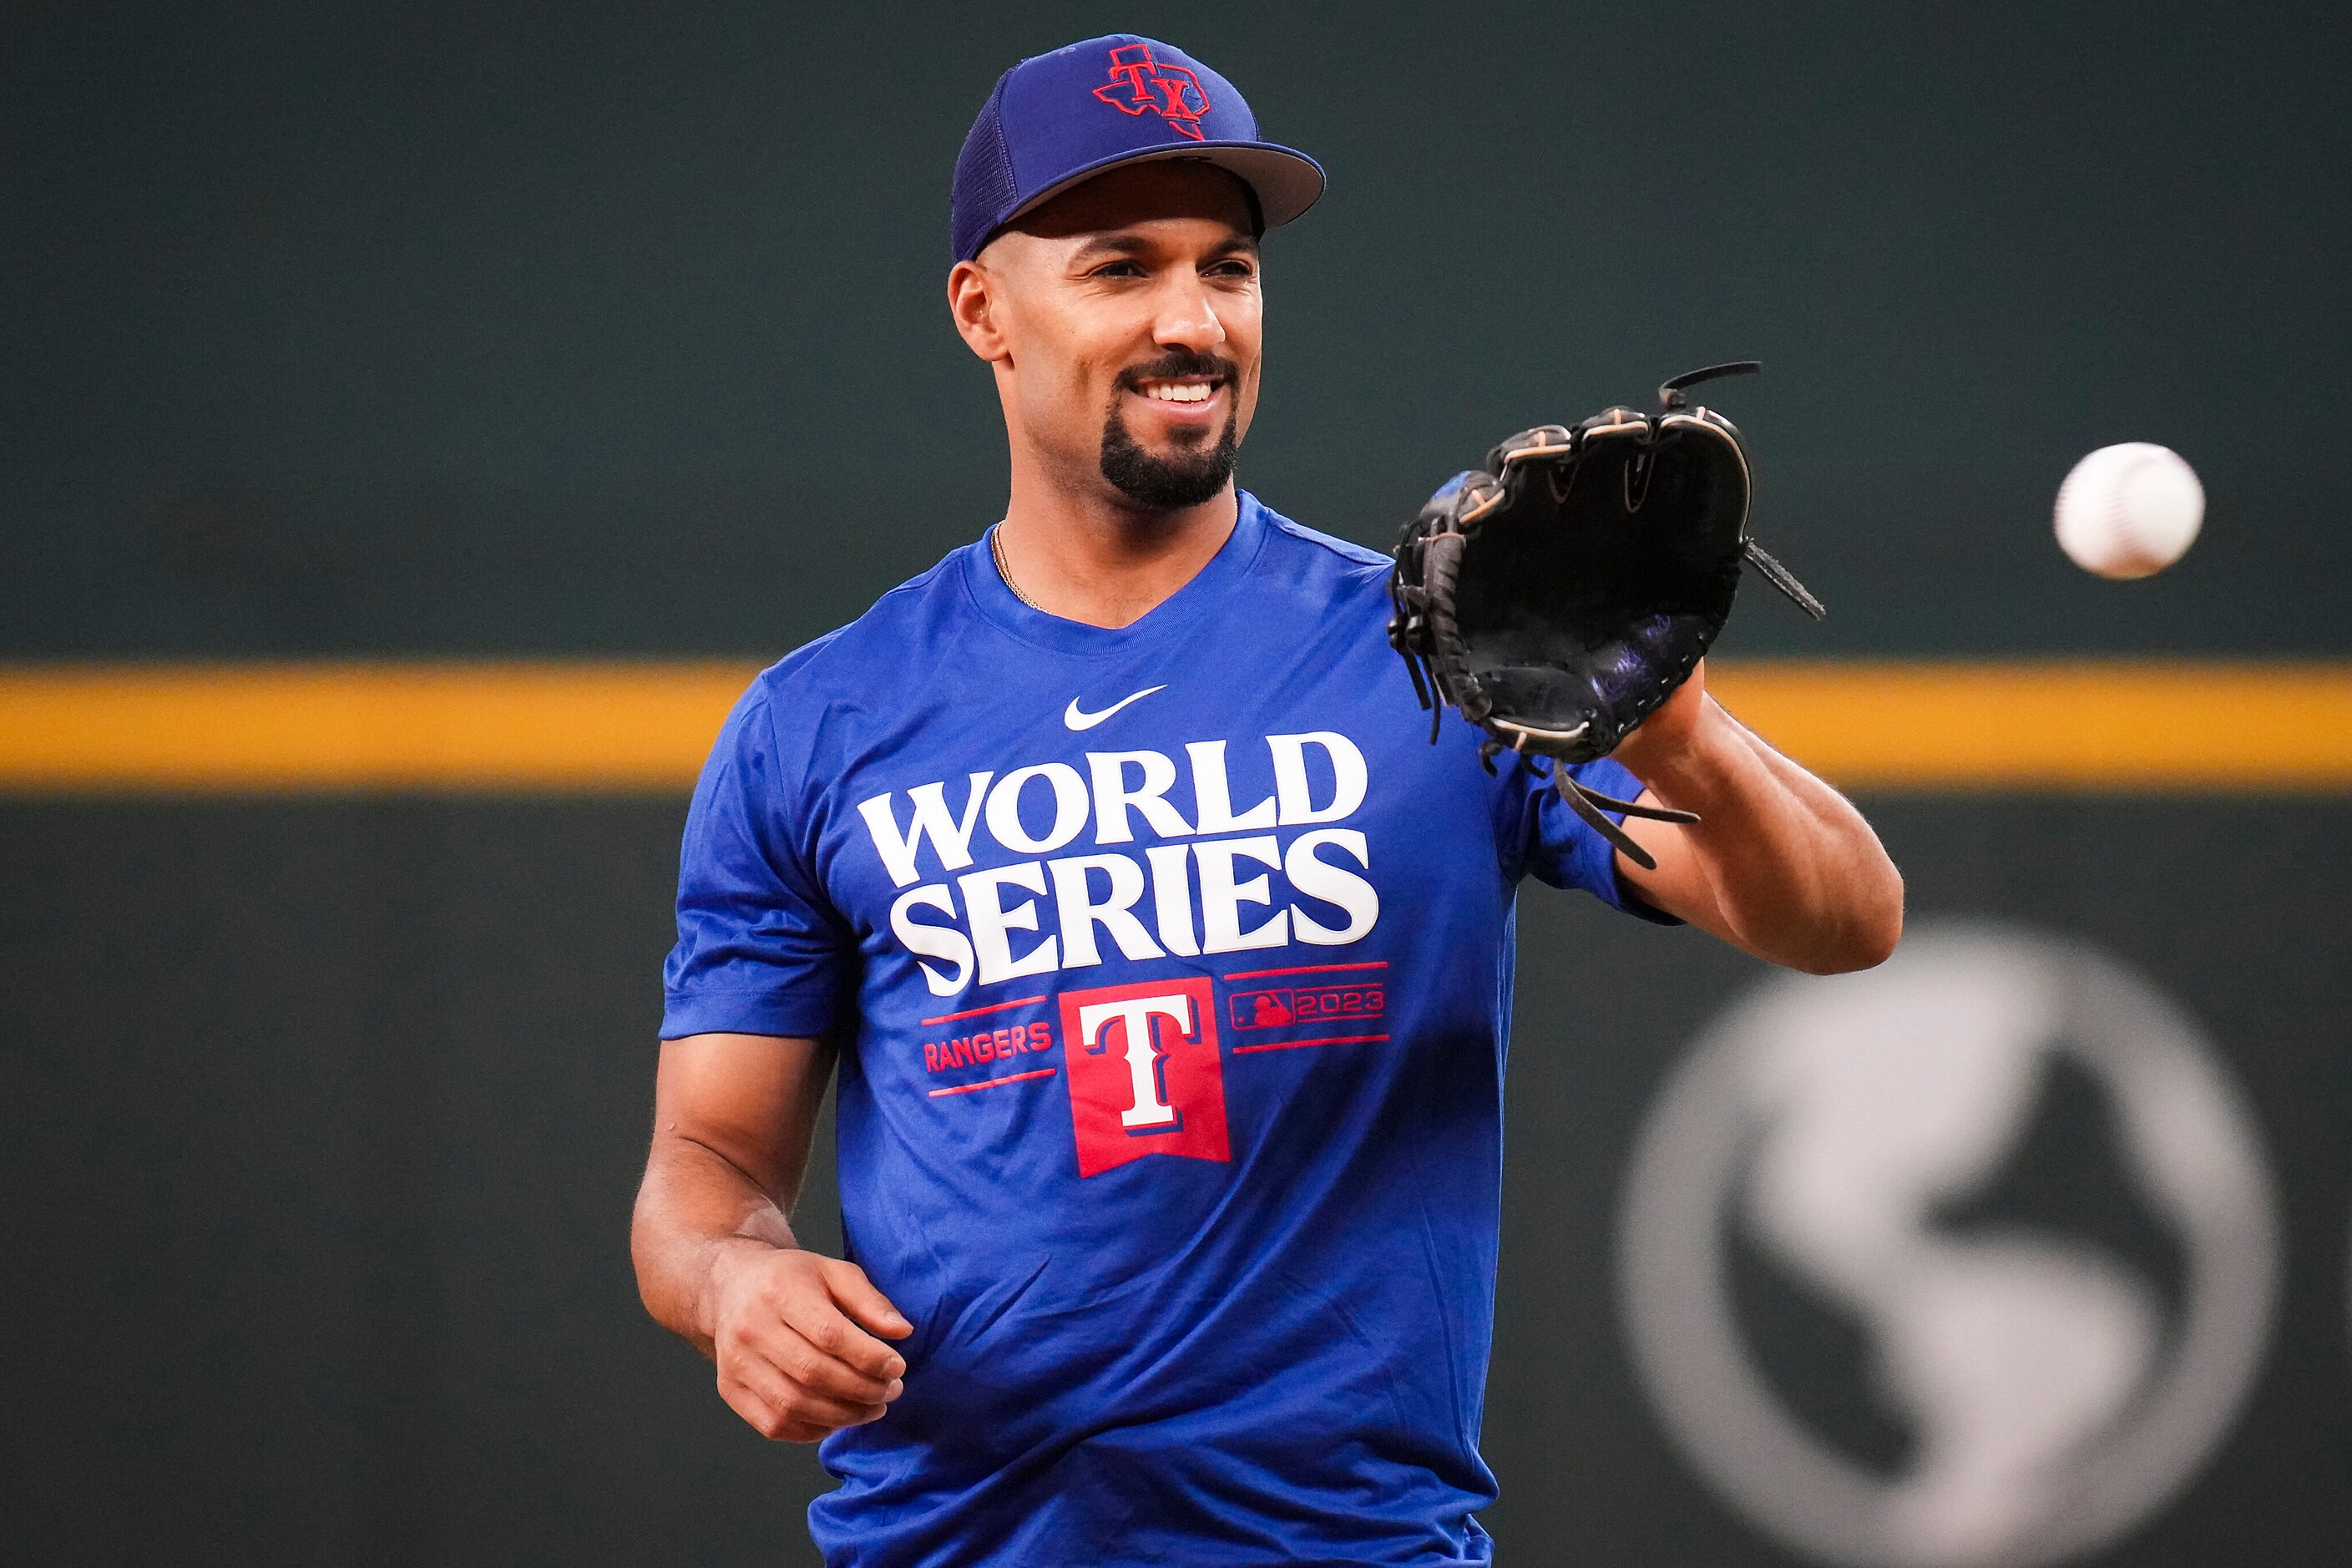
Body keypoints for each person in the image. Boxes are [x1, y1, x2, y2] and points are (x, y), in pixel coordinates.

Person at [631, 33, 1902, 1566]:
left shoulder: (1440, 659)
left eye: (1225, 269)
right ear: (983, 309)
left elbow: (1844, 918)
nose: (1190, 320)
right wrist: (732, 1285)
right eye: (1118, 268)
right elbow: (704, 1167)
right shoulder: (821, 721)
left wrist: (1679, 734)